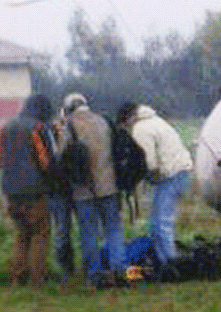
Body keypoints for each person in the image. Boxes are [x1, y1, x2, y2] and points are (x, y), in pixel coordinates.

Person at [116, 102, 192, 271]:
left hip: (171, 176)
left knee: (161, 222)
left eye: (124, 125)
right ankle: (162, 261)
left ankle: (172, 264)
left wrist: (135, 179)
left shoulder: (141, 129)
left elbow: (149, 162)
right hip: (180, 173)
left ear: (128, 119)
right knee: (157, 222)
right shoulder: (155, 120)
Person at [63, 93, 125, 289]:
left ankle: (94, 277)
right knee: (114, 230)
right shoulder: (104, 120)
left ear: (69, 108)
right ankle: (119, 274)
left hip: (83, 191)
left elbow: (61, 156)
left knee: (88, 233)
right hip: (109, 186)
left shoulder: (69, 126)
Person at [0, 94, 54, 288]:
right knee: (40, 233)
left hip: (11, 192)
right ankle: (37, 280)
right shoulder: (39, 128)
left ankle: (18, 278)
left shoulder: (6, 127)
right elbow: (47, 162)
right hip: (35, 192)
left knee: (21, 234)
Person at [41, 106, 75, 287]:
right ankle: (65, 268)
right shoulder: (51, 131)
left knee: (63, 229)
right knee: (62, 230)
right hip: (61, 188)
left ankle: (67, 269)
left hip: (65, 188)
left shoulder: (57, 130)